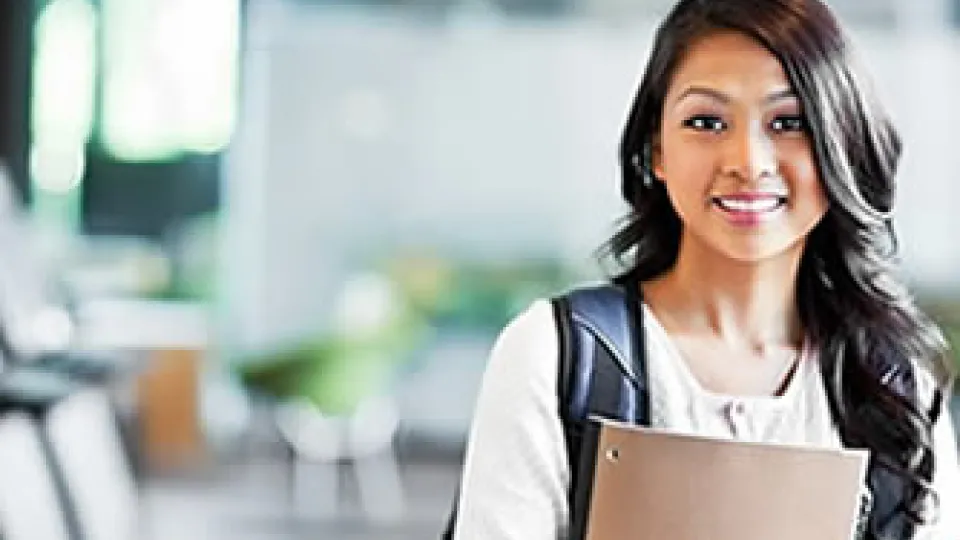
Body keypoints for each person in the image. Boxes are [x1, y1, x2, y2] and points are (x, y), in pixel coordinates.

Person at [447, 0, 960, 539]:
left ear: (842, 144)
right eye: (706, 122)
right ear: (657, 151)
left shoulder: (895, 393)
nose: (748, 161)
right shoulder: (555, 357)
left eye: (788, 123)